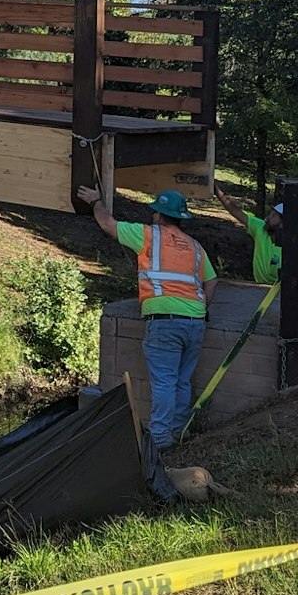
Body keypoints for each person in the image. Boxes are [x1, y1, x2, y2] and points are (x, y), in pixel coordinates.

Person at [75, 184, 218, 459]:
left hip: (164, 320)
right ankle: (178, 432)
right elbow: (211, 281)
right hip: (195, 321)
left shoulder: (148, 236)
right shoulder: (195, 247)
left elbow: (108, 224)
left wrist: (96, 201)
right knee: (182, 381)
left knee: (164, 381)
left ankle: (161, 439)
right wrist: (200, 305)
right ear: (180, 217)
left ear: (158, 215)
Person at [216, 187, 284, 285]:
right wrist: (219, 194)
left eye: (273, 216)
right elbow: (236, 212)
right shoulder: (261, 227)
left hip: (278, 289)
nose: (268, 218)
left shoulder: (291, 243)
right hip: (259, 285)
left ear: (283, 222)